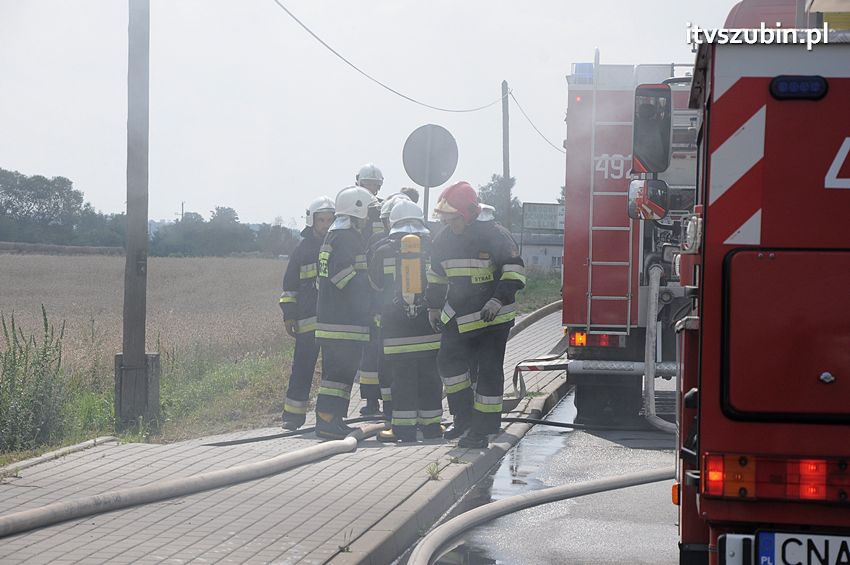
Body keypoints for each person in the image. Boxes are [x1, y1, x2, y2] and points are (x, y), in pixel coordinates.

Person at [426, 181, 526, 449]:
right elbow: (436, 276)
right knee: (448, 361)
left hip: (492, 317)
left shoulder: (495, 235)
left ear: (469, 213)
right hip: (459, 315)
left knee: (488, 371)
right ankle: (463, 418)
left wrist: (497, 299)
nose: (451, 225)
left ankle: (484, 428)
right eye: (447, 220)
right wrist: (433, 306)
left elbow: (515, 271)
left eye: (455, 219)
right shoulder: (444, 239)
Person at [369, 200, 442, 443]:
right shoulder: (432, 249)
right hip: (429, 328)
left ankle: (403, 431)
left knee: (402, 381)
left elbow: (375, 288)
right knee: (431, 378)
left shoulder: (382, 251)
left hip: (396, 331)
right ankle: (432, 428)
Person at [314, 185, 376, 439]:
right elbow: (342, 277)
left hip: (335, 320)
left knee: (340, 375)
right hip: (343, 322)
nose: (369, 218)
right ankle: (327, 421)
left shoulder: (334, 235)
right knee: (337, 375)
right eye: (367, 212)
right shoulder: (346, 238)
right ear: (357, 210)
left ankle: (334, 420)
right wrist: (369, 293)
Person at [279, 196, 335, 429]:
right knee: (302, 368)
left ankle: (329, 417)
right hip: (307, 321)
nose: (326, 225)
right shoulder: (302, 250)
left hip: (333, 322)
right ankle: (293, 417)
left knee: (332, 372)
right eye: (321, 220)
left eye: (330, 220)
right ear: (312, 221)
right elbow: (290, 286)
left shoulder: (339, 246)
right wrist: (289, 315)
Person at [357, 192, 410, 417]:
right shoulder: (376, 243)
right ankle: (372, 401)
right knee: (372, 359)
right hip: (380, 313)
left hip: (391, 314)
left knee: (389, 360)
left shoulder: (411, 244)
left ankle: (393, 405)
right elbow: (370, 280)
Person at [354, 163, 385, 411]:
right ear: (359, 183)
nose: (372, 189)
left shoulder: (384, 209)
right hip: (361, 287)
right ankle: (371, 400)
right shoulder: (350, 209)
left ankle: (383, 398)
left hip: (381, 286)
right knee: (368, 347)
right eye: (368, 185)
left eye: (375, 185)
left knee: (379, 344)